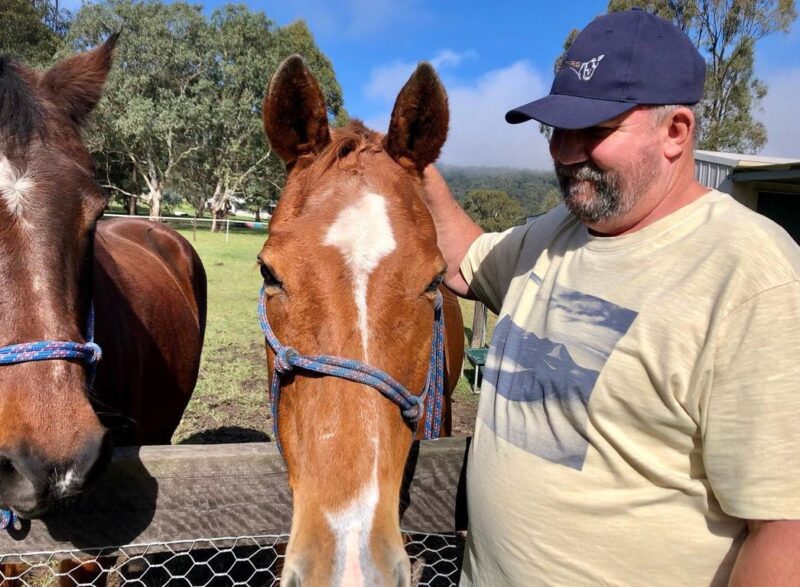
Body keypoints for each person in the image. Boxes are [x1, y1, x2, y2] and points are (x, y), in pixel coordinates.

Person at [423, 8, 800, 586]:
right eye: (557, 129)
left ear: (676, 131)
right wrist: (409, 162)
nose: (566, 152)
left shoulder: (752, 279)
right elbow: (463, 259)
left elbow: (784, 535)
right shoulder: (553, 234)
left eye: (594, 131)